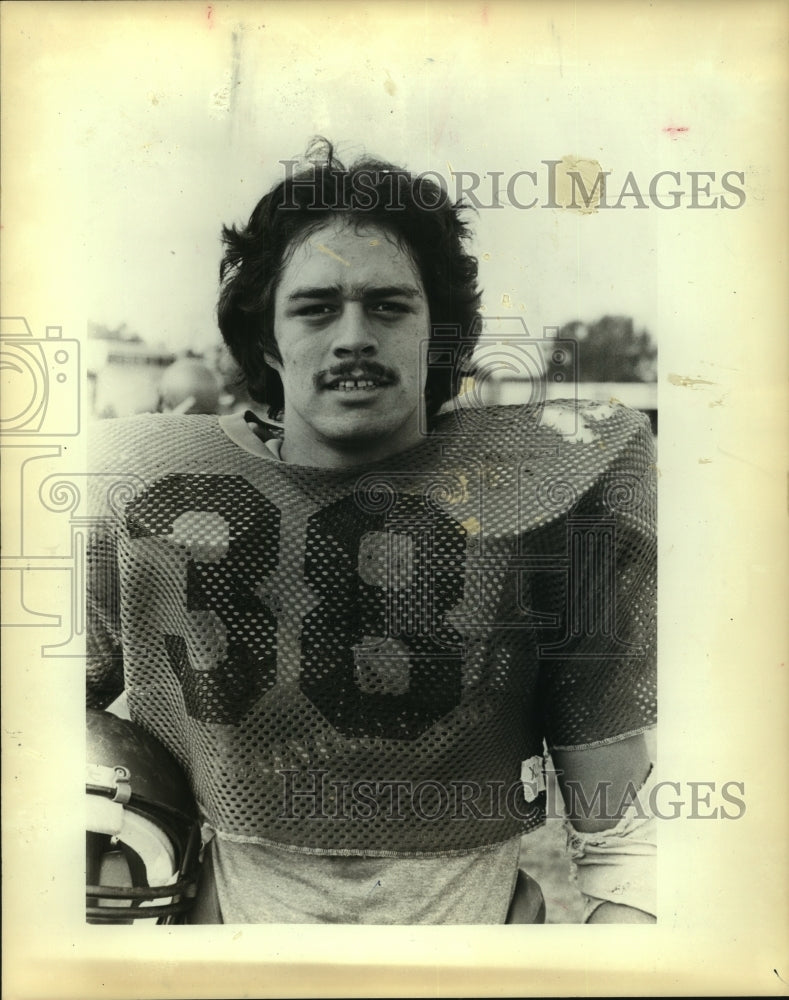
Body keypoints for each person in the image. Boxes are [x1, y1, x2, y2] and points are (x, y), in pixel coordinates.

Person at [87, 140, 657, 924]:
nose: (353, 335)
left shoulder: (548, 489)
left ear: (439, 335)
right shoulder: (143, 481)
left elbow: (624, 848)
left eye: (388, 305)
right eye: (316, 307)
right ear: (264, 340)